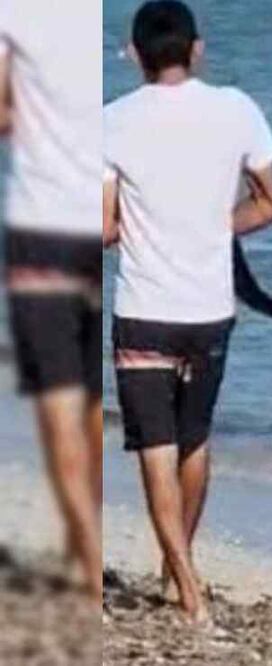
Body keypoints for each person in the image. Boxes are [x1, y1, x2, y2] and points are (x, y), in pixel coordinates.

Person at [103, 0, 272, 623]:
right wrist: (212, 226)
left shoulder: (110, 122)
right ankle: (175, 573)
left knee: (155, 448)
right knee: (194, 441)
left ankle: (187, 590)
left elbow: (104, 227)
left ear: (134, 55)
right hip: (210, 310)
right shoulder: (237, 108)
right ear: (197, 50)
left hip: (144, 310)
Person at [0, 2, 103, 604]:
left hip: (41, 230)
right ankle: (78, 542)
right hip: (94, 224)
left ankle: (87, 564)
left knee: (59, 402)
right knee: (91, 399)